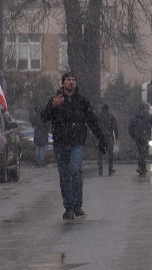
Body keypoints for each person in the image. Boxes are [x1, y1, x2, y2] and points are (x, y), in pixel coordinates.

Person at [41, 72, 107, 220]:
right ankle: (68, 207)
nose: (71, 83)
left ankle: (77, 204)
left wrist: (101, 139)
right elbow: (43, 117)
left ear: (76, 84)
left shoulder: (82, 102)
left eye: (73, 80)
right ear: (63, 83)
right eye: (68, 80)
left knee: (75, 170)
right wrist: (52, 106)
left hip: (77, 143)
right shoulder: (56, 101)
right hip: (60, 143)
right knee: (64, 175)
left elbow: (92, 121)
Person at [128, 103, 152, 176]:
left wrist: (134, 136)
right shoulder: (148, 116)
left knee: (141, 151)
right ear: (144, 109)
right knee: (143, 153)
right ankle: (141, 168)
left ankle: (141, 167)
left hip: (137, 137)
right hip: (146, 136)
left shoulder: (134, 117)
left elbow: (130, 128)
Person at [97, 103, 119, 176]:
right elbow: (115, 128)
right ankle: (110, 169)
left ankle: (100, 169)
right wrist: (117, 138)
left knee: (100, 154)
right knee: (110, 154)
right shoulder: (111, 116)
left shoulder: (98, 116)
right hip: (109, 137)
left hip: (100, 137)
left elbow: (94, 127)